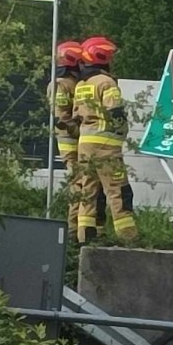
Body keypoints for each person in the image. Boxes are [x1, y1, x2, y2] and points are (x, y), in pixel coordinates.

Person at [74, 36, 138, 245]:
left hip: (84, 145)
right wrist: (123, 132)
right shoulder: (106, 83)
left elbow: (75, 116)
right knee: (118, 190)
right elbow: (115, 112)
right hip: (106, 147)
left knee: (88, 192)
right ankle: (128, 239)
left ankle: (85, 239)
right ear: (103, 58)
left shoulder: (81, 85)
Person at [48, 40, 104, 236]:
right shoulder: (63, 85)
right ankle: (74, 228)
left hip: (72, 139)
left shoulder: (66, 82)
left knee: (83, 181)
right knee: (80, 182)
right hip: (72, 140)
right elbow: (62, 117)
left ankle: (81, 226)